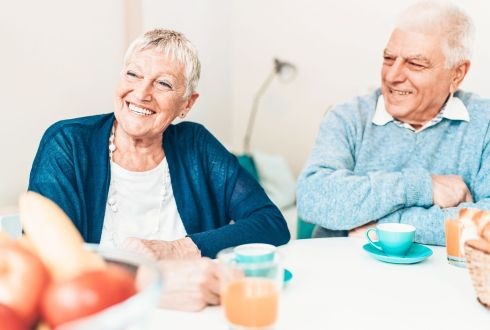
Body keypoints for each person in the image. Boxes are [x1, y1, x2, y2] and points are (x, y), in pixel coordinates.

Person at [28, 29, 290, 310]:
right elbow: (47, 260)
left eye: (163, 84)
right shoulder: (68, 143)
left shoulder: (197, 146)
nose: (141, 93)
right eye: (133, 74)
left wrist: (177, 249)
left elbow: (271, 223)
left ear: (186, 104)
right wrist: (150, 284)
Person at [297, 1, 490, 244]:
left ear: (457, 73)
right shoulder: (348, 117)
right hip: (344, 273)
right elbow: (313, 197)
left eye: (415, 64)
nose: (392, 76)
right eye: (389, 59)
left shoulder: (485, 124)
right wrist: (421, 187)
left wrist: (385, 226)